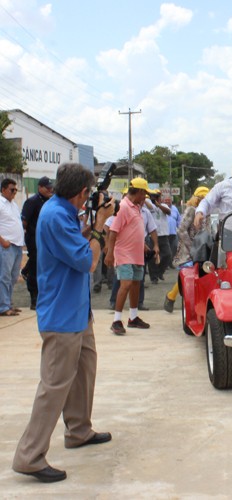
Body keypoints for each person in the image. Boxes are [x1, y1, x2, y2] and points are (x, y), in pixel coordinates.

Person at [12, 162, 115, 483]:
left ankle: (79, 430)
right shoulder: (56, 215)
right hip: (61, 314)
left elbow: (75, 242)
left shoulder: (61, 211)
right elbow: (88, 260)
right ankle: (29, 456)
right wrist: (99, 226)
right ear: (82, 192)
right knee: (55, 384)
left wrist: (88, 229)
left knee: (84, 369)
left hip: (76, 311)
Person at [105, 178, 156, 335]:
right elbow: (113, 231)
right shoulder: (124, 207)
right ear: (139, 192)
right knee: (125, 284)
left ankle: (133, 317)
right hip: (124, 253)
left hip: (137, 254)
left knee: (135, 285)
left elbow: (133, 230)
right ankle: (116, 320)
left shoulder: (137, 208)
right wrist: (109, 253)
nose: (145, 197)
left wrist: (143, 245)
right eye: (144, 194)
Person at [164, 186, 210, 313]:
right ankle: (171, 297)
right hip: (188, 249)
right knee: (188, 274)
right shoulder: (191, 210)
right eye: (202, 199)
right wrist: (191, 245)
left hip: (202, 248)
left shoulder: (207, 211)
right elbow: (182, 230)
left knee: (200, 275)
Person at [21, 176, 54, 309]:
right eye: (47, 188)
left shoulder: (50, 202)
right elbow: (24, 222)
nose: (50, 190)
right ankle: (34, 297)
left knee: (44, 267)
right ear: (40, 187)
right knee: (35, 267)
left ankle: (42, 294)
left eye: (51, 187)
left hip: (46, 241)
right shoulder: (32, 201)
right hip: (34, 239)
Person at [0, 178, 25, 316]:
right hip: (6, 246)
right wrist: (2, 241)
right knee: (4, 276)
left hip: (17, 245)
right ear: (3, 190)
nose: (14, 192)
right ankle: (3, 307)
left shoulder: (13, 204)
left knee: (13, 276)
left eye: (16, 190)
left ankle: (8, 303)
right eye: (12, 190)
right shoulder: (0, 203)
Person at [146, 190, 171, 284]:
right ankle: (154, 277)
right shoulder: (149, 206)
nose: (156, 198)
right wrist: (148, 199)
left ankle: (160, 272)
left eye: (157, 196)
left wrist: (158, 205)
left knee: (168, 255)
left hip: (164, 235)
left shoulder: (164, 206)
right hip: (153, 235)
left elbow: (168, 212)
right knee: (152, 256)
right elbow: (148, 206)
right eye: (154, 197)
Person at [167, 202, 182, 268]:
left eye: (169, 201)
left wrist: (180, 228)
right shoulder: (162, 207)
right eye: (166, 201)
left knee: (175, 247)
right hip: (165, 233)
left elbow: (179, 219)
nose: (167, 202)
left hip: (173, 232)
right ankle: (166, 264)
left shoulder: (175, 208)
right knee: (166, 249)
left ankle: (171, 262)